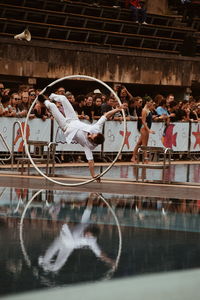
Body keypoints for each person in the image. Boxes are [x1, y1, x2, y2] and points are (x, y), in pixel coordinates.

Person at [38, 87, 125, 181]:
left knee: (53, 106)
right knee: (63, 99)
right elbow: (106, 116)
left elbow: (90, 161)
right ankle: (50, 96)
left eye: (91, 136)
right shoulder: (95, 129)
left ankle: (44, 100)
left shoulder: (88, 146)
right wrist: (117, 109)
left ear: (93, 141)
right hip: (73, 119)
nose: (90, 134)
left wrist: (93, 176)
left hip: (66, 127)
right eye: (93, 134)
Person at [38, 193, 114, 273]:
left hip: (69, 247)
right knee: (46, 259)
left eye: (88, 235)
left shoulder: (92, 241)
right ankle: (44, 262)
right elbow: (88, 209)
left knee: (56, 267)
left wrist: (109, 261)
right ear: (89, 227)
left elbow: (100, 254)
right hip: (62, 238)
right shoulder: (85, 222)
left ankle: (46, 266)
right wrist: (91, 198)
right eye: (87, 232)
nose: (86, 234)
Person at [130, 97, 155, 163]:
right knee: (144, 145)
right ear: (147, 102)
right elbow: (143, 121)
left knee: (139, 143)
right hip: (144, 128)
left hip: (146, 128)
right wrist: (148, 130)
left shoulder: (148, 109)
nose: (152, 103)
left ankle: (133, 157)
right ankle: (145, 159)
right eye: (151, 102)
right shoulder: (144, 110)